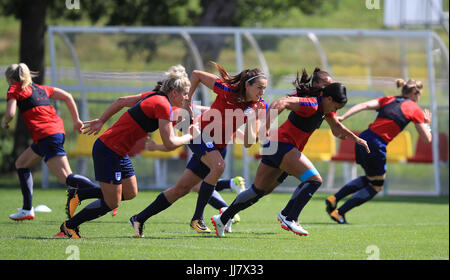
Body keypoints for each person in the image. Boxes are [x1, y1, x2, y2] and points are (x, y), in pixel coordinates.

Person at [211, 69, 370, 237]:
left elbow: (337, 129)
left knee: (259, 191)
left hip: (277, 147)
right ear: (326, 95)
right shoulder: (312, 104)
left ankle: (223, 218)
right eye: (336, 106)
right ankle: (289, 216)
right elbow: (281, 103)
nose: (336, 109)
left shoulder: (325, 109)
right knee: (314, 180)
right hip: (282, 145)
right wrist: (266, 125)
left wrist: (356, 139)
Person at [129, 62, 268, 237]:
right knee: (219, 166)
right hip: (199, 132)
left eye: (264, 89)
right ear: (247, 85)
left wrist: (250, 121)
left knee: (181, 189)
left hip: (219, 145)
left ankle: (139, 218)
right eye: (259, 88)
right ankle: (197, 218)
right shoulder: (227, 90)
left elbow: (248, 142)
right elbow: (196, 74)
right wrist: (187, 101)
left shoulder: (259, 106)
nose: (262, 93)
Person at [57, 65, 195, 238]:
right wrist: (189, 136)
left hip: (118, 152)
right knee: (111, 202)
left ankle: (81, 193)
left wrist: (102, 120)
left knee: (130, 192)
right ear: (174, 92)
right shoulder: (162, 105)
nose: (187, 97)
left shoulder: (154, 96)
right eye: (185, 94)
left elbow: (121, 101)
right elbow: (169, 143)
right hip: (108, 150)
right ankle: (69, 226)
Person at [1, 63, 101, 221]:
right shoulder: (41, 89)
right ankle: (27, 209)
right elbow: (67, 96)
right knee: (21, 164)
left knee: (65, 178)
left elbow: (11, 112)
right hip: (52, 134)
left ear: (11, 79)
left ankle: (106, 195)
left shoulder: (14, 88)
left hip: (47, 136)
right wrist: (76, 120)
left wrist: (4, 121)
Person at [326, 78, 432, 224]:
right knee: (376, 186)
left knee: (371, 178)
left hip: (363, 138)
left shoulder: (389, 99)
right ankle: (339, 212)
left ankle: (334, 198)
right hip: (376, 144)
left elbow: (364, 105)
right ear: (414, 93)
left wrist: (343, 117)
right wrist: (426, 124)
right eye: (419, 94)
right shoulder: (414, 108)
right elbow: (427, 139)